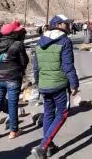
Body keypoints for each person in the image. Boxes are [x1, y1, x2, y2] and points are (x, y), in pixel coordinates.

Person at [31, 15, 79, 158]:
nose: (69, 26)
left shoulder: (40, 41)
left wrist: (38, 83)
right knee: (62, 113)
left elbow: (35, 66)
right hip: (58, 84)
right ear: (58, 25)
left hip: (44, 85)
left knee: (48, 114)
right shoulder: (64, 41)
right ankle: (43, 146)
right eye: (66, 24)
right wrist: (74, 84)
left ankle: (49, 146)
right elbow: (68, 65)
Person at [0, 21, 28, 142]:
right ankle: (13, 131)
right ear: (13, 33)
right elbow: (24, 61)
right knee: (12, 103)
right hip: (13, 77)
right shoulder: (17, 44)